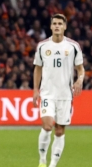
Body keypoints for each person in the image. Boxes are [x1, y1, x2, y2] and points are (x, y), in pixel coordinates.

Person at [33, 13, 84, 167]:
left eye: (60, 24)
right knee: (47, 126)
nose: (57, 26)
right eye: (54, 23)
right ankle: (42, 160)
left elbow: (80, 69)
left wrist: (79, 80)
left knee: (60, 131)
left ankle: (52, 164)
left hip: (65, 95)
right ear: (50, 26)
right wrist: (36, 90)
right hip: (47, 93)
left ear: (65, 27)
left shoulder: (73, 46)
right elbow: (37, 68)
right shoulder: (43, 46)